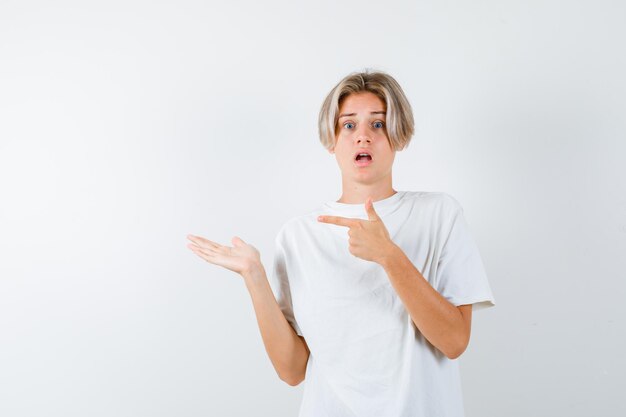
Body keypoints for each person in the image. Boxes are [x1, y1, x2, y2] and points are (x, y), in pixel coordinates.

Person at [186, 69, 496, 417]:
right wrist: (254, 277)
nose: (362, 136)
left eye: (377, 124)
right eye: (349, 125)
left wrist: (389, 256)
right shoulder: (298, 236)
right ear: (331, 140)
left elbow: (454, 342)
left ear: (399, 135)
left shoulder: (439, 214)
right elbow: (292, 371)